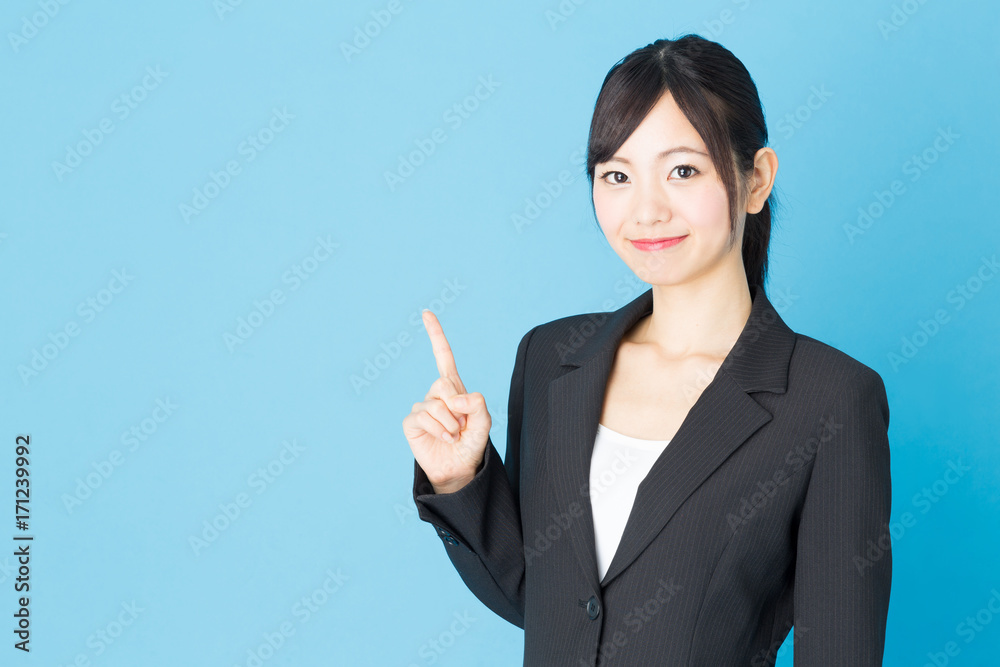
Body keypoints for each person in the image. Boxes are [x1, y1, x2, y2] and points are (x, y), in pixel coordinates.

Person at [403, 33, 892, 666]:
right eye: (617, 176)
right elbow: (551, 606)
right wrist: (461, 479)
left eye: (683, 170)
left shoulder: (830, 399)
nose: (647, 209)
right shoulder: (552, 359)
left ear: (756, 179)